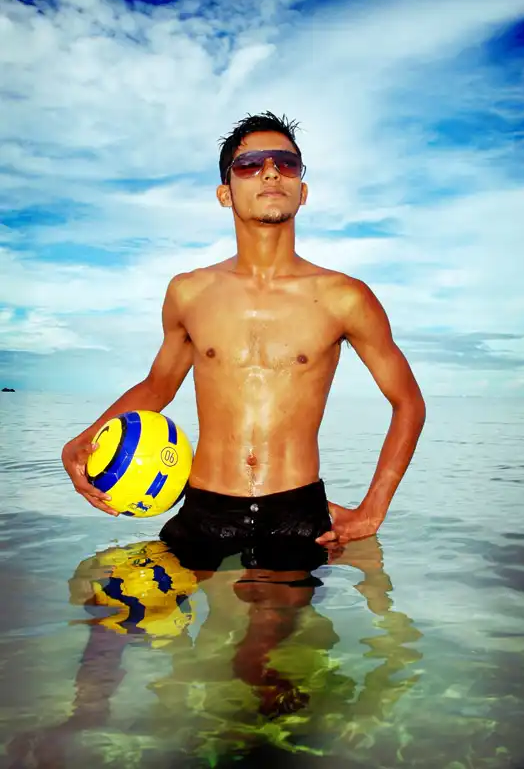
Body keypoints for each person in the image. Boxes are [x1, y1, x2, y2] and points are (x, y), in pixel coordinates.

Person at [61, 111, 426, 553]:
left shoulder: (345, 297)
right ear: (224, 193)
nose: (270, 172)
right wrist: (84, 440)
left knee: (282, 605)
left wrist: (373, 509)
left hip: (296, 512)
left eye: (286, 163)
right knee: (111, 596)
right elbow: (158, 386)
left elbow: (408, 402)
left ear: (302, 190)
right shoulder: (189, 293)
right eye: (250, 164)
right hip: (203, 509)